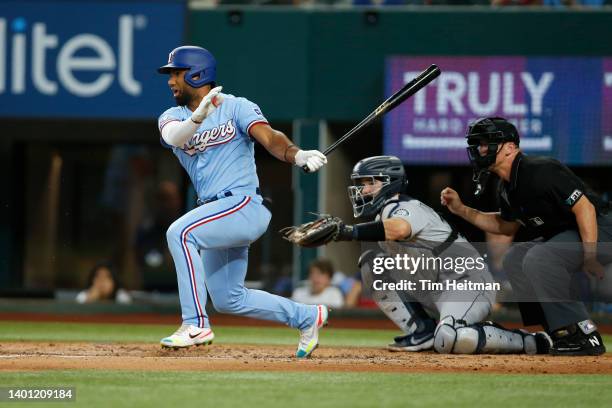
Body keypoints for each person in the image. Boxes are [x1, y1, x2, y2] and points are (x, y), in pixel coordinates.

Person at [156, 45, 328, 358]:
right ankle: (307, 317)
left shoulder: (237, 107)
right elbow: (175, 138)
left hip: (243, 205)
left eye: (176, 73)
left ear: (197, 73)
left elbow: (270, 138)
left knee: (180, 233)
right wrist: (198, 117)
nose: (170, 80)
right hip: (214, 212)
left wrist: (297, 154)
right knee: (228, 298)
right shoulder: (172, 117)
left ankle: (195, 323)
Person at [285, 155, 549, 354]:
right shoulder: (383, 213)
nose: (362, 189)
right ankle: (420, 331)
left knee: (449, 339)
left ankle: (529, 341)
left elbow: (399, 229)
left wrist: (347, 232)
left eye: (369, 183)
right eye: (361, 183)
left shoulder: (405, 206)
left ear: (389, 184)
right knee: (371, 262)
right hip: (433, 286)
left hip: (467, 283)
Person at [441, 117, 610, 356]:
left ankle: (584, 333)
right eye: (478, 144)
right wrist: (461, 209)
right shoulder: (507, 187)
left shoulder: (540, 170)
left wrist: (590, 255)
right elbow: (506, 227)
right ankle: (558, 331)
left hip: (601, 229)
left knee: (539, 257)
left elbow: (585, 209)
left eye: (487, 143)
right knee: (515, 258)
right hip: (568, 235)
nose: (480, 149)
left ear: (510, 147)